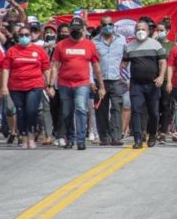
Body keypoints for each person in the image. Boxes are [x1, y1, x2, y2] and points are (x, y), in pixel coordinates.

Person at [50, 17, 106, 151]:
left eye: (78, 29)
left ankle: (81, 140)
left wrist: (101, 86)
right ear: (70, 30)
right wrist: (51, 85)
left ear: (83, 30)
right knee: (67, 111)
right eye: (73, 29)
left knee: (81, 109)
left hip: (82, 83)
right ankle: (70, 138)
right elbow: (55, 66)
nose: (75, 31)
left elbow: (96, 67)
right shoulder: (61, 45)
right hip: (64, 83)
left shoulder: (90, 45)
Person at [1, 26, 51, 149]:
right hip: (16, 86)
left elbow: (46, 68)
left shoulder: (39, 50)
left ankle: (31, 136)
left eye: (27, 35)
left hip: (34, 85)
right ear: (18, 36)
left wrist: (49, 85)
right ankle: (23, 137)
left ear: (31, 36)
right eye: (21, 35)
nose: (24, 37)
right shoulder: (12, 51)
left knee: (31, 111)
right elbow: (6, 69)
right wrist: (4, 86)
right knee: (20, 111)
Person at [123, 20, 167, 149]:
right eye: (138, 29)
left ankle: (152, 134)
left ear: (148, 31)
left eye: (143, 29)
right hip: (136, 84)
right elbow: (124, 63)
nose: (140, 32)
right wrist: (122, 73)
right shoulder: (129, 46)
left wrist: (161, 77)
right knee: (136, 111)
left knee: (153, 112)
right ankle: (137, 139)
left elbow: (163, 62)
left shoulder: (156, 45)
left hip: (153, 84)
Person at [93, 16, 127, 146]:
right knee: (101, 109)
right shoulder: (94, 42)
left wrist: (124, 65)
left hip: (116, 80)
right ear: (101, 27)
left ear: (113, 25)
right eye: (105, 24)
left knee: (117, 107)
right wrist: (91, 81)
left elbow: (126, 56)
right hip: (99, 80)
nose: (108, 26)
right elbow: (91, 62)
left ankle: (116, 136)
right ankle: (104, 137)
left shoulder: (121, 40)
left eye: (110, 24)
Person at [154, 21, 174, 144]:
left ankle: (163, 132)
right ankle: (153, 130)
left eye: (162, 30)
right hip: (153, 80)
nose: (159, 32)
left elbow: (173, 65)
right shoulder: (152, 44)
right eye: (158, 30)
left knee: (166, 106)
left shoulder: (172, 46)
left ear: (168, 31)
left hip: (167, 80)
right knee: (154, 107)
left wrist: (170, 81)